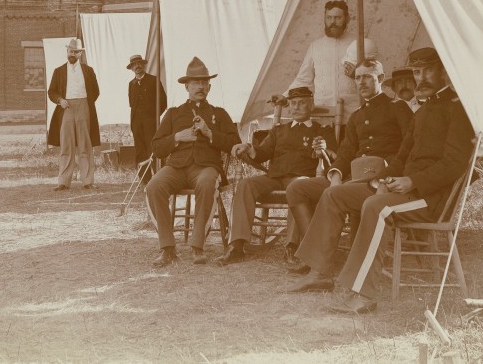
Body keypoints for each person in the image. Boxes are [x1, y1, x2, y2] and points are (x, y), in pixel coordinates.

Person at [289, 48, 475, 316]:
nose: (421, 78)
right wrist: (381, 179)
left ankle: (364, 295)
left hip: (430, 197)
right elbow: (402, 157)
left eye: (428, 71)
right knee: (335, 195)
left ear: (443, 71)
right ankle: (320, 272)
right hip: (405, 187)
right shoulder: (424, 110)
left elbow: (454, 164)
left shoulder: (457, 108)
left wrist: (413, 181)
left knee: (377, 207)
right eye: (417, 72)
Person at [284, 59, 414, 271]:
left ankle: (318, 264)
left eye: (367, 77)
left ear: (380, 79)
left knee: (336, 194)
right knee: (297, 188)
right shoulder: (356, 116)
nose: (361, 82)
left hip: (381, 179)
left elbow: (409, 148)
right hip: (352, 177)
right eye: (357, 78)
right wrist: (335, 175)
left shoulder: (398, 108)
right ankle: (317, 254)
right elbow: (345, 152)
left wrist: (388, 173)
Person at [215, 86, 333, 266]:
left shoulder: (322, 130)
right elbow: (261, 153)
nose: (296, 107)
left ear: (311, 106)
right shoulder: (279, 130)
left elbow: (334, 156)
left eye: (302, 103)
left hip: (301, 179)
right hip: (275, 178)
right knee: (246, 184)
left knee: (298, 188)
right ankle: (236, 245)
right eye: (293, 104)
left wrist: (324, 149)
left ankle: (292, 247)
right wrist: (248, 147)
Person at [145, 57, 240, 267]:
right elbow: (157, 148)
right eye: (196, 83)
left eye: (204, 83)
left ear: (209, 87)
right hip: (176, 167)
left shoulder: (219, 114)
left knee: (207, 183)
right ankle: (167, 248)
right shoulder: (173, 114)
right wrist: (178, 137)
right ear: (186, 86)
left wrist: (209, 133)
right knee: (154, 186)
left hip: (206, 167)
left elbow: (235, 144)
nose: (201, 86)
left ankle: (198, 247)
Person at [271, 0, 377, 134]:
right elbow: (304, 79)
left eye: (338, 17)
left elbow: (375, 77)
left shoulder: (360, 44)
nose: (333, 22)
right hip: (322, 116)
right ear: (324, 18)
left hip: (353, 114)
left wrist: (356, 74)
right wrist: (285, 96)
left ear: (347, 18)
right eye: (329, 17)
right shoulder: (315, 46)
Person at [47, 38, 101, 191]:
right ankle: (63, 181)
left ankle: (88, 181)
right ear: (67, 51)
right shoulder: (58, 71)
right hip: (66, 108)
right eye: (71, 51)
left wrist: (85, 104)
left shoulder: (88, 70)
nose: (73, 54)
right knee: (66, 145)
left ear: (80, 54)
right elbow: (51, 91)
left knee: (85, 145)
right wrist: (60, 100)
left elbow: (95, 91)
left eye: (76, 52)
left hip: (84, 107)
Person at [127, 54, 167, 183]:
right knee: (140, 151)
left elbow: (163, 102)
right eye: (134, 65)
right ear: (132, 68)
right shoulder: (131, 84)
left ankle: (158, 179)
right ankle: (145, 180)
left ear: (144, 65)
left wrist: (154, 117)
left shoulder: (153, 80)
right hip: (136, 123)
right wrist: (134, 122)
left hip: (151, 122)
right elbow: (131, 104)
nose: (137, 66)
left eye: (139, 63)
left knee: (154, 149)